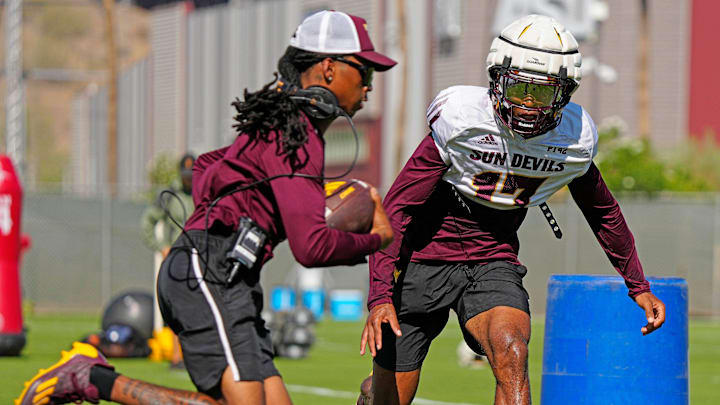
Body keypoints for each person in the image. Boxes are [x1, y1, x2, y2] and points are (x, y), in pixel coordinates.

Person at [17, 10, 395, 405]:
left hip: (231, 277)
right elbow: (311, 247)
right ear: (329, 68)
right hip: (206, 271)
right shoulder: (293, 131)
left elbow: (205, 169)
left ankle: (88, 376)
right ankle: (87, 377)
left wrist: (269, 201)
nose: (369, 86)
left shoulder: (282, 122)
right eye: (364, 70)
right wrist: (377, 239)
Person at [357, 15, 666, 405]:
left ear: (565, 92)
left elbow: (604, 213)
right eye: (518, 86)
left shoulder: (573, 139)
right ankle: (374, 391)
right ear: (496, 78)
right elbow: (398, 209)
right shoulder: (462, 120)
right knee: (387, 400)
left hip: (492, 256)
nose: (526, 104)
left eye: (540, 93)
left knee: (512, 352)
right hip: (422, 257)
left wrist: (637, 284)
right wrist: (381, 295)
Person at [140, 153, 196, 369]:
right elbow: (148, 220)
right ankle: (177, 356)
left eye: (191, 175)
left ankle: (197, 355)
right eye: (185, 174)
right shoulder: (170, 194)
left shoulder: (204, 190)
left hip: (203, 256)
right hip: (177, 258)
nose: (188, 179)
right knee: (178, 307)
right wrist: (161, 246)